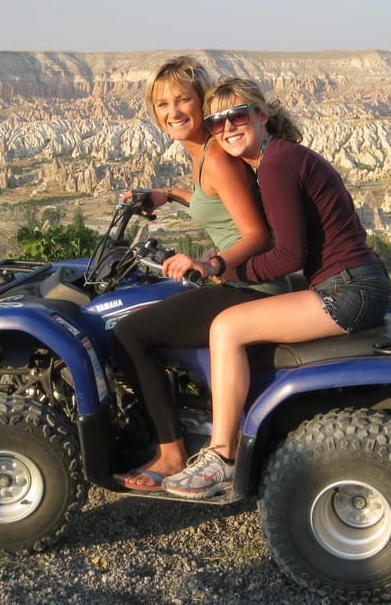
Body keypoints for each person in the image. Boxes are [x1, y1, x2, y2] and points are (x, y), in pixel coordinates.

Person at [162, 77, 391, 499]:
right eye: (216, 122)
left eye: (237, 116)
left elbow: (286, 256)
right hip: (359, 281)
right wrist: (171, 195)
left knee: (226, 328)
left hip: (348, 291)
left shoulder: (274, 166)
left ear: (261, 115)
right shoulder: (278, 157)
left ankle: (222, 457)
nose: (227, 127)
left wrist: (221, 269)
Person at [111, 58, 291, 491]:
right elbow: (213, 202)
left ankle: (172, 454)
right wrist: (168, 194)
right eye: (162, 104)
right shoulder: (204, 153)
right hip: (237, 280)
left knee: (131, 334)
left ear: (202, 101)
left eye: (183, 100)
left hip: (251, 287)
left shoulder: (216, 159)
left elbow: (258, 235)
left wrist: (208, 264)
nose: (173, 111)